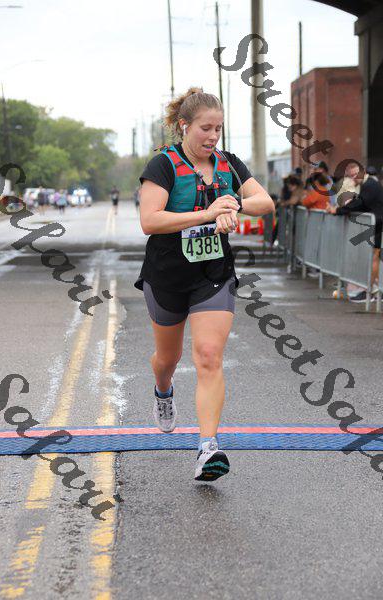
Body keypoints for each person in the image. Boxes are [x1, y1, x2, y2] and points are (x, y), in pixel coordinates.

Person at [134, 87, 275, 482]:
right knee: (168, 359)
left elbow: (265, 203)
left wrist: (232, 205)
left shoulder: (229, 164)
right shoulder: (163, 165)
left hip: (213, 275)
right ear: (184, 126)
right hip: (167, 275)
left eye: (218, 129)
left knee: (209, 355)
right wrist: (207, 213)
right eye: (205, 128)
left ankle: (208, 447)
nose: (213, 137)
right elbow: (150, 220)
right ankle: (163, 390)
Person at [326, 165, 383, 303]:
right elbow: (360, 203)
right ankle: (374, 291)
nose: (353, 178)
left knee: (374, 257)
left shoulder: (370, 185)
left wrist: (337, 210)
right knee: (374, 257)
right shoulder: (369, 184)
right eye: (350, 176)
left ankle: (370, 292)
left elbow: (359, 204)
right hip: (375, 224)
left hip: (377, 224)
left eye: (355, 175)